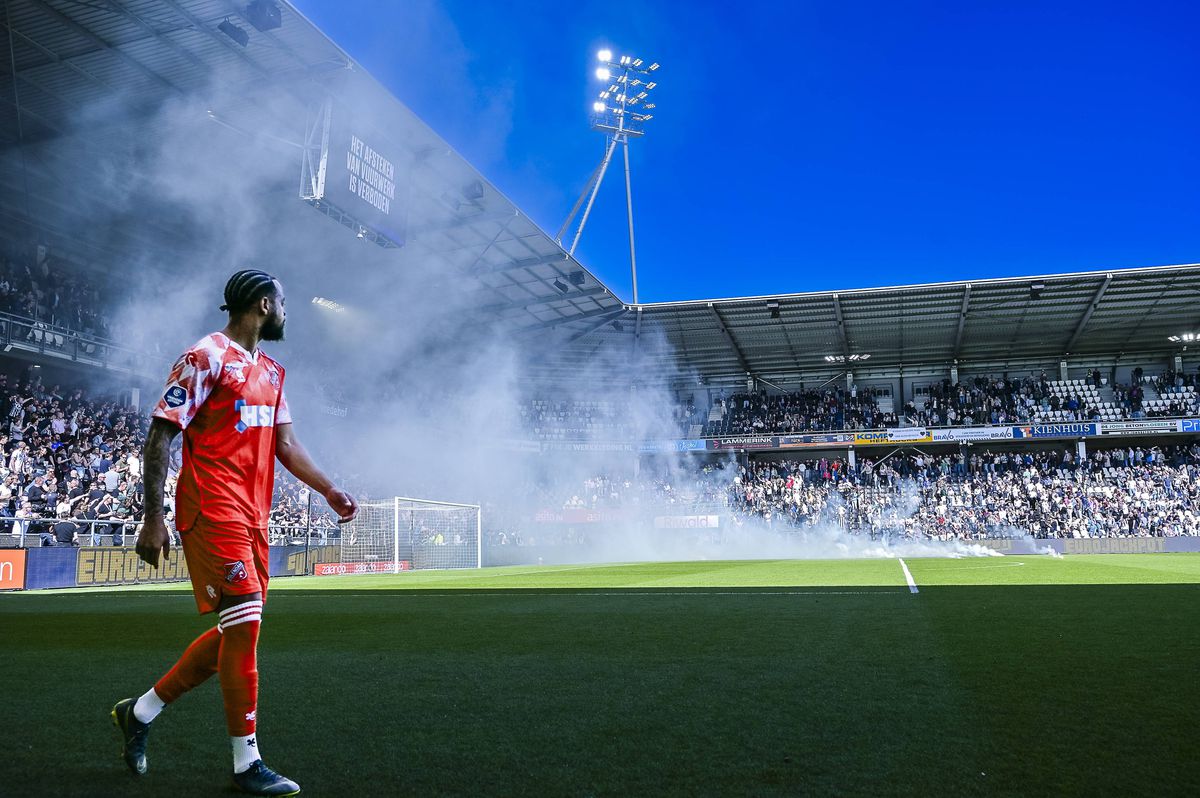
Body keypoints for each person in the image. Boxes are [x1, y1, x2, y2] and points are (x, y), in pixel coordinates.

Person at [111, 270, 357, 796]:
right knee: (244, 625)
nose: (287, 313)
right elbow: (161, 433)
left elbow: (286, 447)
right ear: (264, 305)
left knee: (236, 630)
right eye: (284, 304)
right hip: (212, 506)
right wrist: (153, 515)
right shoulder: (206, 356)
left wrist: (329, 490)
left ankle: (141, 710)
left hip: (254, 516)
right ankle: (247, 763)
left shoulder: (271, 370)